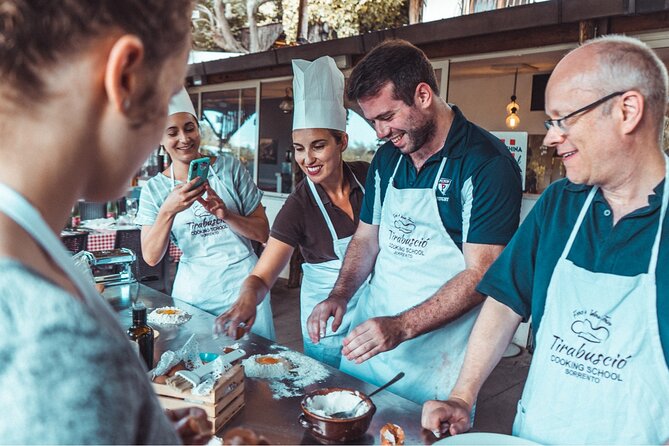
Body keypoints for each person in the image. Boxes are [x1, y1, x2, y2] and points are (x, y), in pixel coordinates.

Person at [421, 35, 669, 445]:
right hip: (535, 434)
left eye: (562, 119)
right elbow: (504, 302)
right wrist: (462, 396)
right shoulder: (559, 203)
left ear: (628, 110)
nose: (551, 138)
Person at [0, 0, 210, 443]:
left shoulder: (25, 240)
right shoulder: (60, 342)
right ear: (126, 79)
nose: (164, 137)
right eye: (168, 88)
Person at [307, 40, 523, 404]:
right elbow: (366, 239)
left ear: (422, 95)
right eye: (372, 121)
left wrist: (401, 326)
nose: (379, 133)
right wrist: (340, 294)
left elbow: (483, 273)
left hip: (434, 364)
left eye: (387, 117)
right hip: (369, 346)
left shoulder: (486, 165)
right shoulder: (387, 160)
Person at [215, 56, 369, 368]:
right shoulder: (299, 205)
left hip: (373, 316)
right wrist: (247, 300)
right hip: (327, 325)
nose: (307, 158)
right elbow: (261, 274)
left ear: (342, 141)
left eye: (318, 145)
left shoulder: (368, 178)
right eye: (299, 148)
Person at [136, 88, 275, 340]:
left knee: (253, 364)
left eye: (189, 128)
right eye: (172, 132)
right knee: (196, 364)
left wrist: (226, 214)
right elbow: (151, 257)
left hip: (243, 286)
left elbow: (263, 232)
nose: (184, 138)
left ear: (198, 129)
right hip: (195, 292)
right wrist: (168, 209)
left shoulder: (229, 168)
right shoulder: (154, 190)